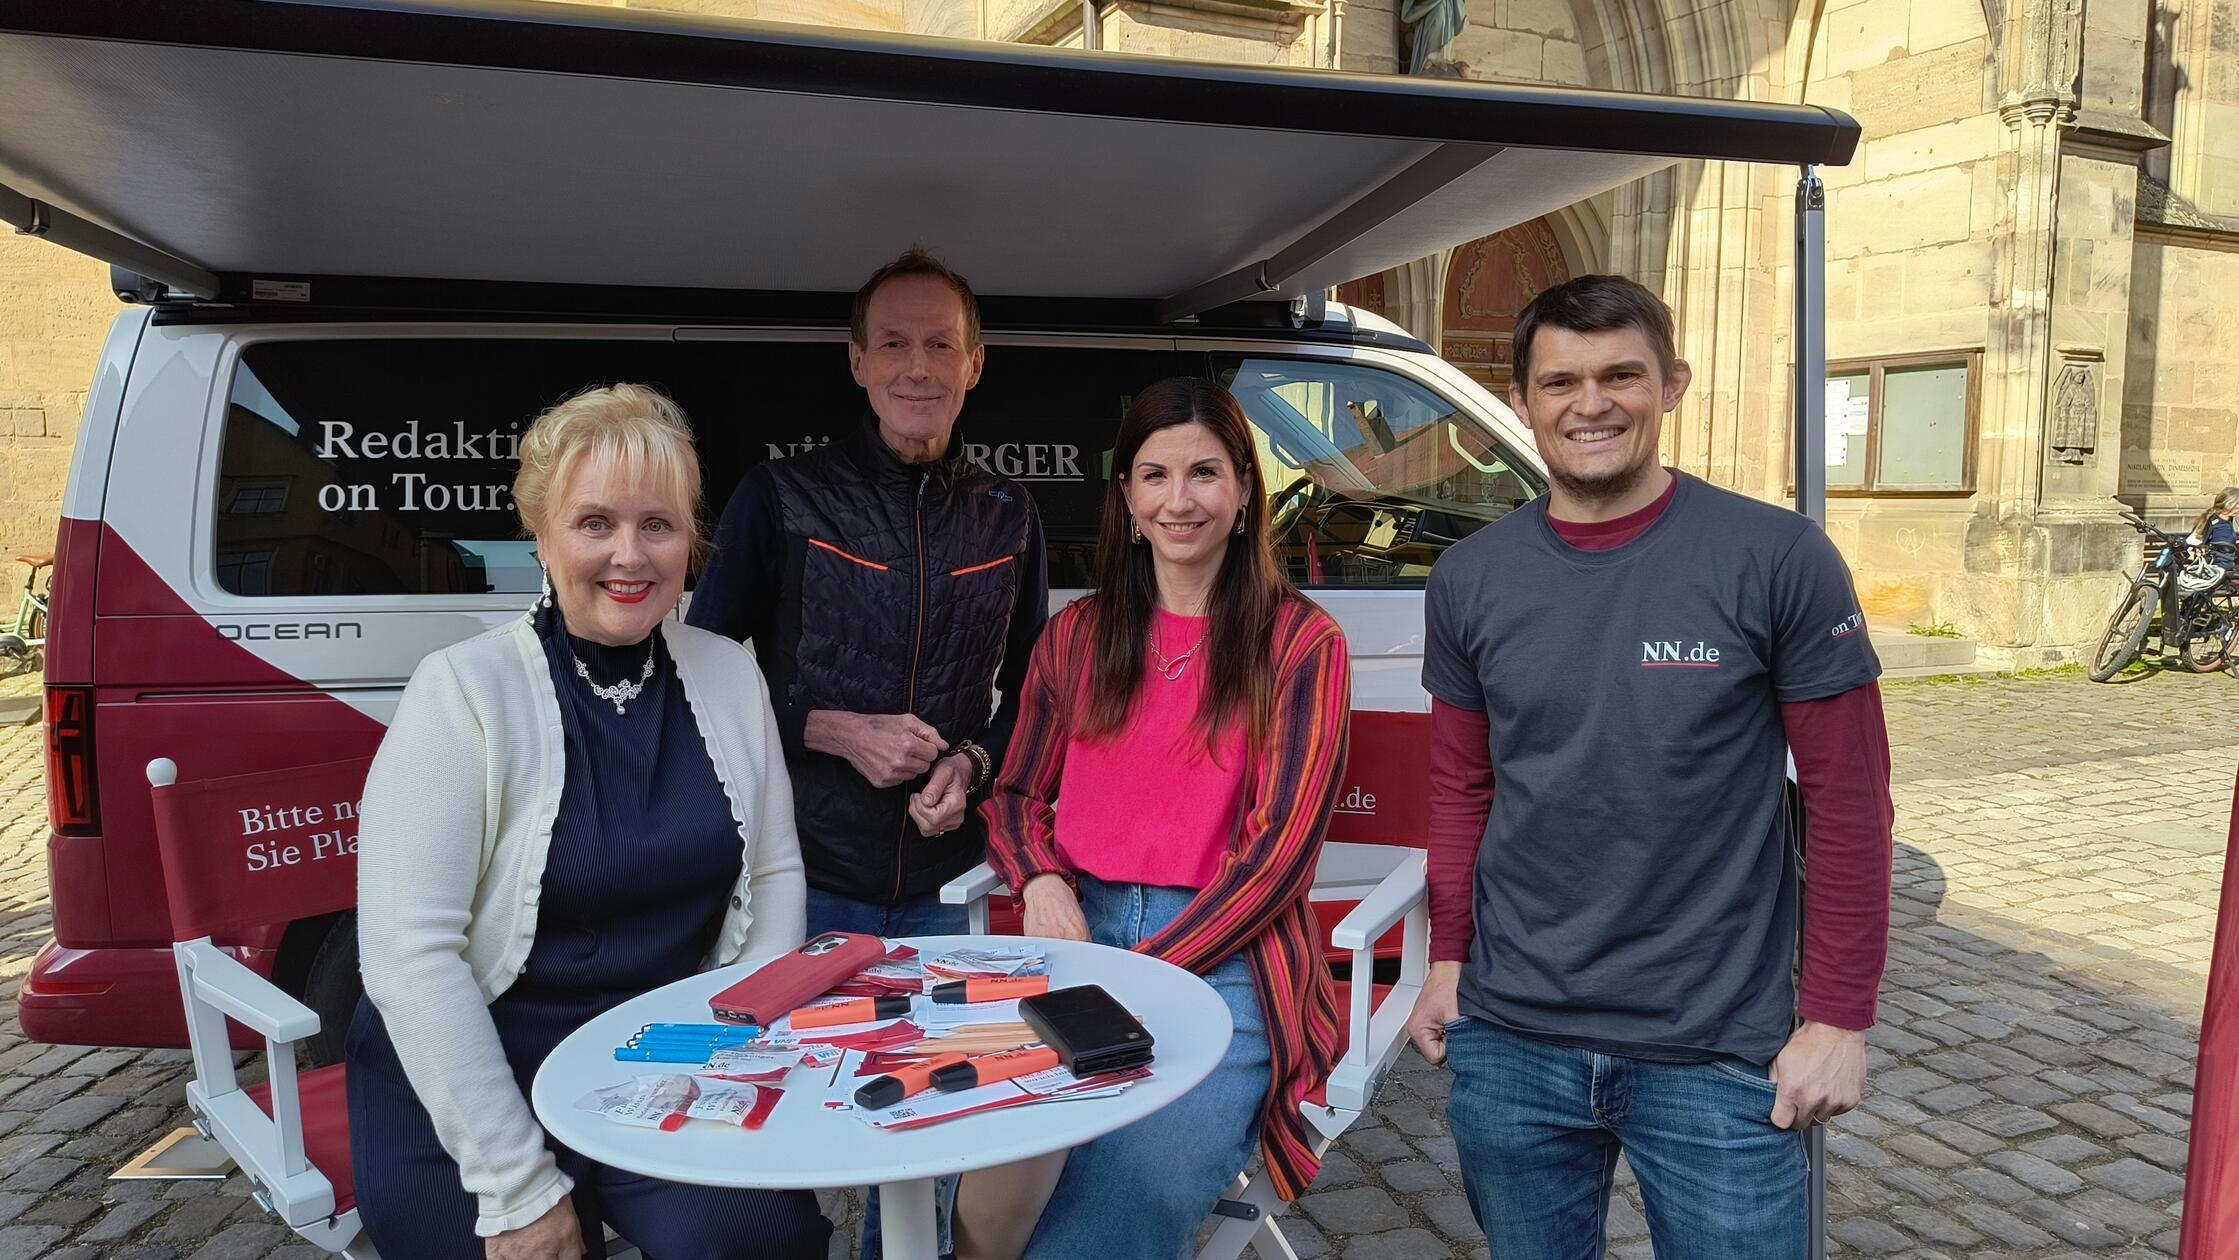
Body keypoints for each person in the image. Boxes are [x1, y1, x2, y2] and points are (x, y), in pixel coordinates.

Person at [1405, 275, 1895, 1258]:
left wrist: (1838, 1020)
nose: (1589, 405)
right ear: (1521, 401)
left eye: (1619, 376)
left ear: (1671, 384)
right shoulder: (1469, 578)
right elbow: (1461, 788)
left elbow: (1849, 802)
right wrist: (1446, 959)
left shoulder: (1775, 557)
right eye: (1560, 382)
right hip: (1512, 1036)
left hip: (1715, 1049)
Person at [351, 384, 828, 1260]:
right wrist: (517, 1189)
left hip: (665, 1055)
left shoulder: (728, 674)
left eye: (658, 525)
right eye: (595, 523)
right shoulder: (462, 691)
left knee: (762, 1239)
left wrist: (728, 1041)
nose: (629, 555)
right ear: (540, 533)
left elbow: (774, 874)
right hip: (474, 1073)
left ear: (690, 543)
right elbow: (408, 957)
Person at [968, 376, 1350, 1260]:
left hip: (1230, 961)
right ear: (1127, 499)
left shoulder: (1300, 645)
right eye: (1155, 475)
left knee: (1119, 1199)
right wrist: (1042, 881)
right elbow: (1015, 795)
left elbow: (1277, 858)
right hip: (1080, 936)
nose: (1180, 501)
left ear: (1245, 490)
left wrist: (1145, 974)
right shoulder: (1076, 636)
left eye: (1204, 473)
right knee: (962, 1166)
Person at [687, 247, 1047, 939]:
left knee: (943, 1022)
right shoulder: (780, 497)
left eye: (940, 344)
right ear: (858, 362)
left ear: (973, 364)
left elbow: (1036, 692)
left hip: (951, 883)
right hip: (801, 876)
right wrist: (834, 731)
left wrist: (971, 764)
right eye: (893, 344)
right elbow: (699, 678)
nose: (918, 368)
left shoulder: (1009, 513)